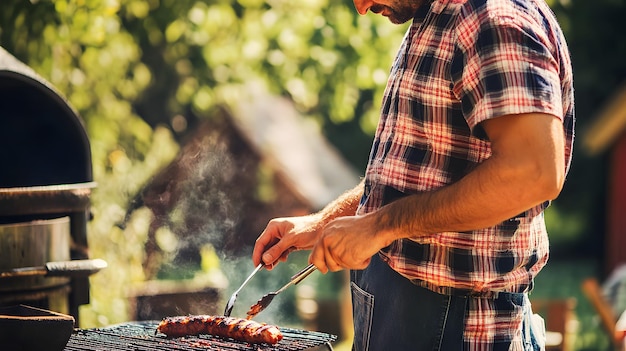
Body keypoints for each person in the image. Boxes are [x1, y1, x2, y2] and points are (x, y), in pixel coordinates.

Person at [252, 0, 574, 349]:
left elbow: (533, 172)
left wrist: (379, 226)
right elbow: (407, 175)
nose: (361, 7)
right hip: (407, 311)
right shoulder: (434, 18)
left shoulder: (491, 19)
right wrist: (321, 224)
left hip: (455, 326)